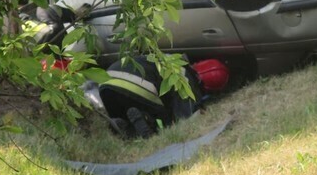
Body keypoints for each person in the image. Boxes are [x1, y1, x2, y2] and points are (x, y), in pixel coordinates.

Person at [98, 56, 229, 138]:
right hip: (137, 83)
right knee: (163, 117)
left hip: (106, 82)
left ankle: (126, 126)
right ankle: (146, 122)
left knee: (136, 106)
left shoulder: (174, 60)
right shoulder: (187, 80)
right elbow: (185, 117)